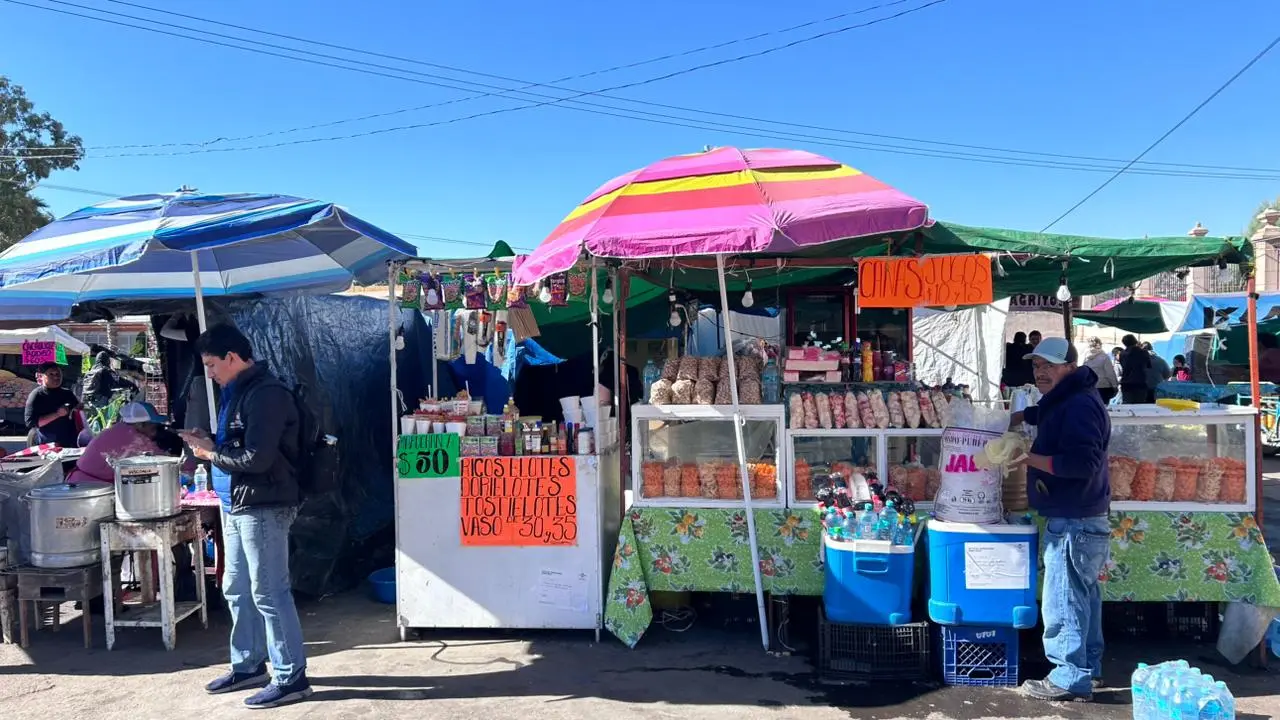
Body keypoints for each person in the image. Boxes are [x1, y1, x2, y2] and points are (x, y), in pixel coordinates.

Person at [179, 325, 310, 709]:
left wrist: (208, 454)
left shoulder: (266, 394)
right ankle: (249, 664)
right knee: (236, 588)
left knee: (269, 592)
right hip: (236, 503)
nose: (211, 373)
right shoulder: (235, 392)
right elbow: (237, 445)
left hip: (264, 503)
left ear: (233, 357)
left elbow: (258, 458)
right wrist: (210, 441)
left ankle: (291, 677)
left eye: (212, 364)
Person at [1010, 337, 1111, 703]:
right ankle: (1089, 668)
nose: (1041, 373)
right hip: (1080, 516)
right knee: (1083, 596)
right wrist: (1022, 416)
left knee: (1065, 598)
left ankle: (1068, 676)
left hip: (1074, 519)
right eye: (1037, 366)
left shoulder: (1080, 404)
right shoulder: (1068, 398)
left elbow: (1082, 464)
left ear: (1069, 365)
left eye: (1049, 366)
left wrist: (1028, 459)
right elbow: (1050, 415)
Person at [66, 401, 184, 484]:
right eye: (153, 428)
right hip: (86, 487)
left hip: (94, 483)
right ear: (140, 424)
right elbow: (163, 460)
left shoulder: (122, 429)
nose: (155, 433)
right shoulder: (129, 436)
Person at [24, 362, 81, 447]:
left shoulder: (67, 393)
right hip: (49, 444)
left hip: (71, 443)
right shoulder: (37, 395)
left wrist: (81, 408)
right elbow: (30, 422)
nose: (56, 377)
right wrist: (57, 414)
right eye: (51, 374)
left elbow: (77, 411)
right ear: (41, 376)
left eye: (58, 374)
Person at [1081, 337, 1119, 404]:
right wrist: (1115, 385)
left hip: (1089, 386)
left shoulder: (1083, 357)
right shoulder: (1104, 357)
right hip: (1103, 387)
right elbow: (1110, 373)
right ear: (1100, 344)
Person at [1118, 335, 1151, 405]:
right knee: (1139, 406)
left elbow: (1123, 365)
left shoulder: (1122, 354)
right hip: (1140, 382)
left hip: (1126, 382)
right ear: (1135, 341)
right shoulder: (1143, 352)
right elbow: (1148, 365)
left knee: (1127, 406)